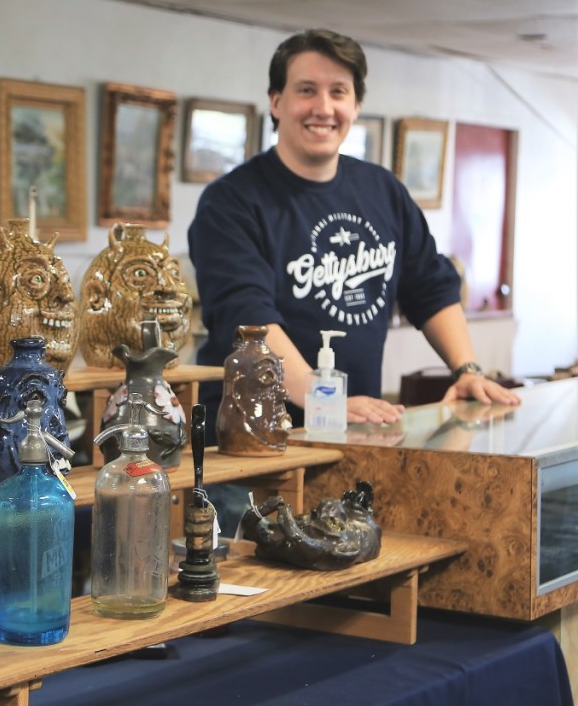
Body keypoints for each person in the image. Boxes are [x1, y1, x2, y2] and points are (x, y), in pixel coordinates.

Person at [188, 28, 520, 438]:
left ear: (356, 104)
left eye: (339, 92)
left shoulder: (382, 191)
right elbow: (248, 321)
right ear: (276, 101)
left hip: (354, 430)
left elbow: (431, 287)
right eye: (306, 90)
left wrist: (468, 370)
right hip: (250, 445)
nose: (323, 107)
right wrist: (323, 399)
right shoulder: (230, 202)